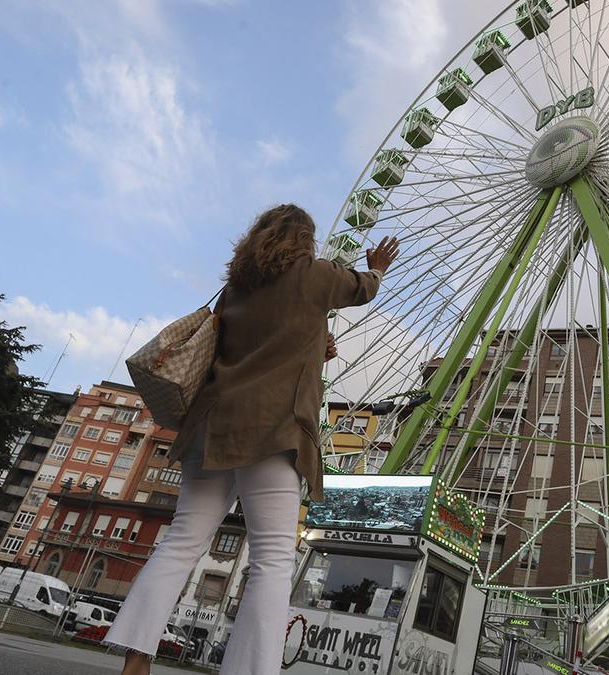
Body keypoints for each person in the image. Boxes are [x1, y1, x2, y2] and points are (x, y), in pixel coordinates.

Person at [103, 204, 399, 675]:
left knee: (181, 542)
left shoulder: (236, 288)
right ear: (305, 239)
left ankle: (136, 662)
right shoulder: (317, 276)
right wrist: (378, 267)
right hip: (272, 430)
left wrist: (312, 342)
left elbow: (247, 348)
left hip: (212, 426)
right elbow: (362, 288)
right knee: (273, 560)